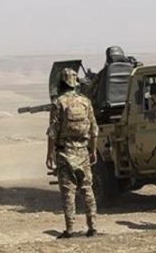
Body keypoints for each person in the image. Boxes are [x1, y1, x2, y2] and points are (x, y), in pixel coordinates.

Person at [46, 68, 99, 238]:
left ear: (61, 83)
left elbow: (52, 132)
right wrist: (92, 150)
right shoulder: (86, 102)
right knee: (88, 191)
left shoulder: (59, 103)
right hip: (83, 152)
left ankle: (69, 230)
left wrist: (49, 154)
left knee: (68, 193)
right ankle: (92, 227)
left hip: (65, 154)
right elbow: (94, 130)